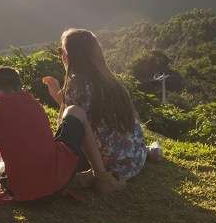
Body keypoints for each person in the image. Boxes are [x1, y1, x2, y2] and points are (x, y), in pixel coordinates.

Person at [43, 28, 147, 190]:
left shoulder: (78, 82)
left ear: (71, 55)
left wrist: (63, 91)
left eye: (62, 51)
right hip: (135, 158)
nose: (61, 56)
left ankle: (100, 177)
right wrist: (59, 95)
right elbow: (87, 111)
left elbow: (76, 120)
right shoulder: (111, 80)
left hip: (110, 163)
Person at [0, 66, 92, 202]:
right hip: (57, 183)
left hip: (26, 191)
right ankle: (100, 174)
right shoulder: (33, 102)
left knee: (0, 166)